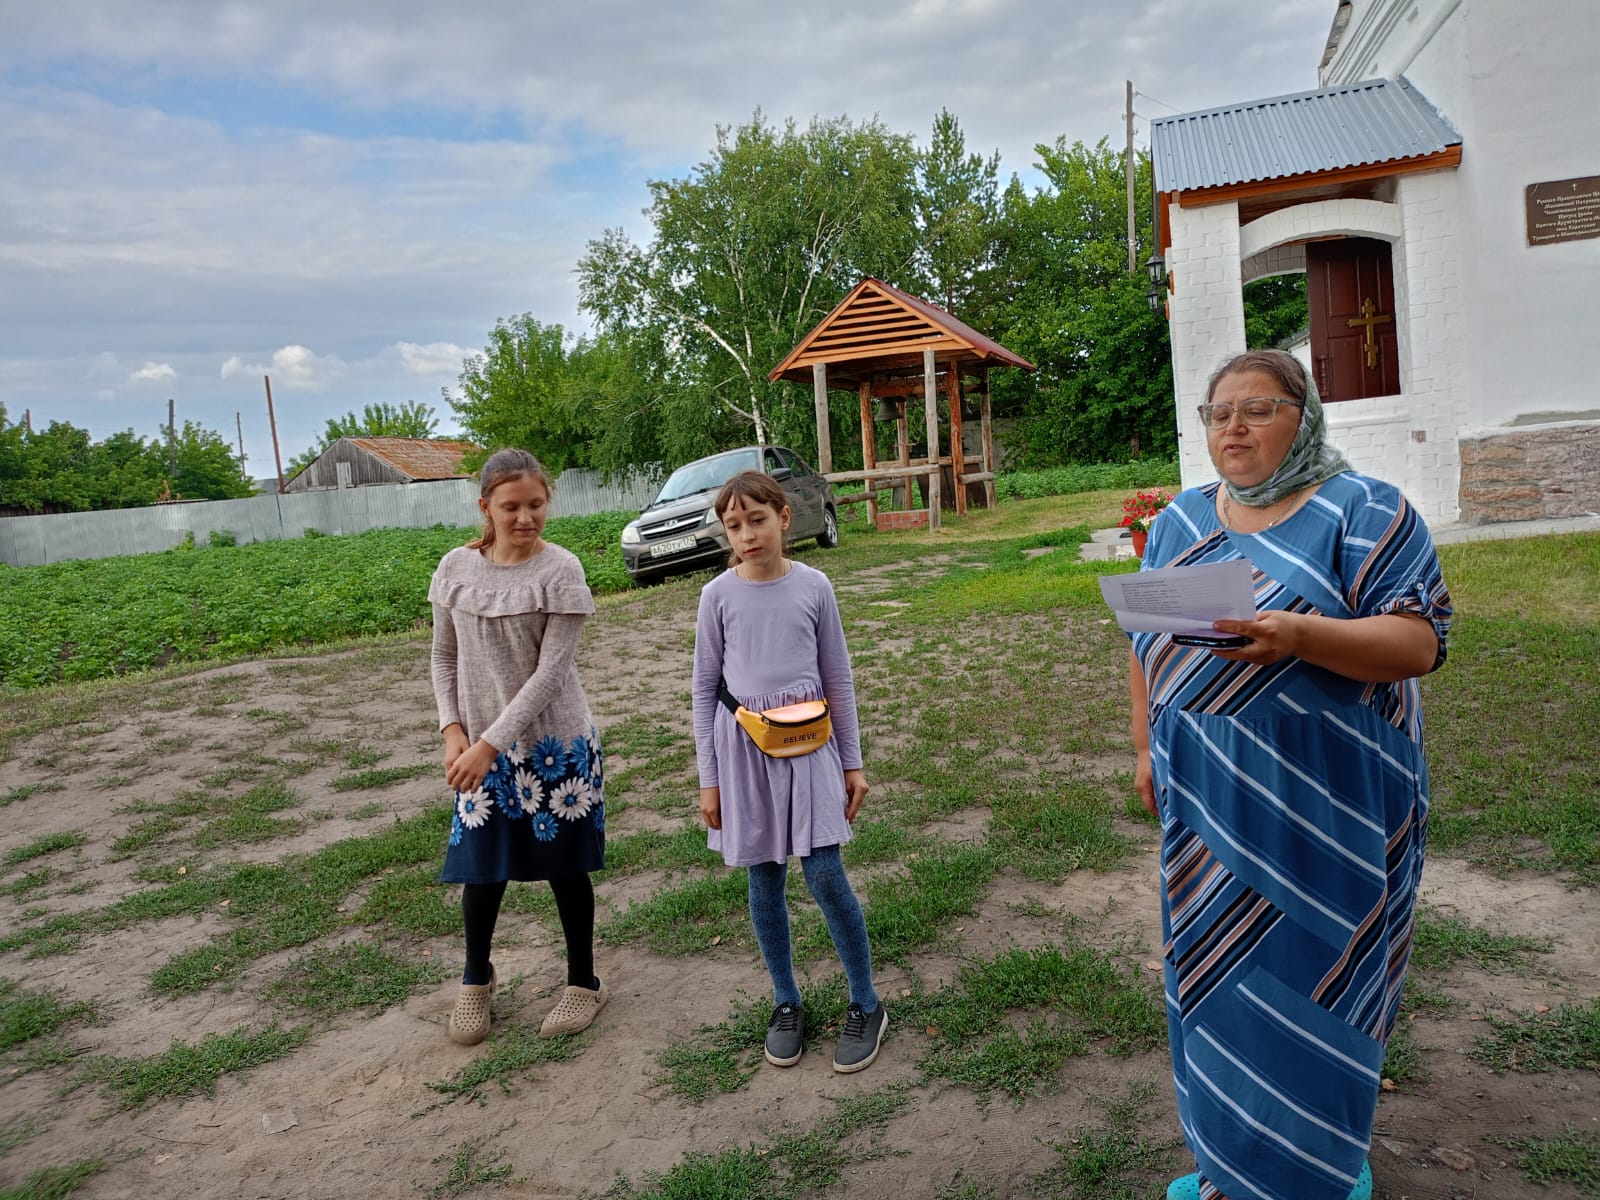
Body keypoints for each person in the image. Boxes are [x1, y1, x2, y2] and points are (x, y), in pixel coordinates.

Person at [1129, 349, 1452, 1200]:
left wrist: (1300, 636)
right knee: (1213, 975)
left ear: (1302, 421)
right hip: (1210, 804)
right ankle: (1228, 1167)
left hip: (1333, 805)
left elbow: (1418, 643)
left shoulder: (1368, 511)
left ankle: (1318, 1172)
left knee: (1322, 982)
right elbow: (1144, 642)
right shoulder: (1180, 521)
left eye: (1257, 409)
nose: (1232, 426)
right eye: (1219, 412)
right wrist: (1140, 746)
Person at [691, 470, 886, 1073]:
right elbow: (703, 689)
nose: (748, 535)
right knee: (764, 877)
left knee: (826, 873)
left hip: (811, 750)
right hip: (743, 753)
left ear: (783, 516)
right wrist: (709, 777)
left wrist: (852, 761)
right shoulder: (716, 597)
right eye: (734, 526)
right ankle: (785, 1001)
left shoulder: (815, 585)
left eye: (757, 520)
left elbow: (839, 678)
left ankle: (867, 1002)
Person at [429, 448, 607, 1046]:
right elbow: (442, 656)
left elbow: (550, 674)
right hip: (478, 750)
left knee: (565, 869)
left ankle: (583, 982)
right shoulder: (455, 567)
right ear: (486, 507)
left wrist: (488, 744)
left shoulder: (561, 569)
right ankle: (476, 981)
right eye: (511, 507)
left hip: (556, 746)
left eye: (536, 504)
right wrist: (453, 731)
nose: (526, 517)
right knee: (481, 872)